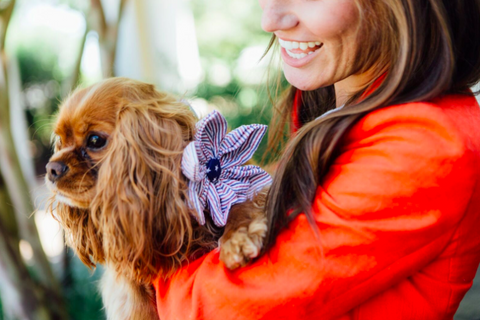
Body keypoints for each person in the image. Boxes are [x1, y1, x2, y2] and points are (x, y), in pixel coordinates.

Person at [153, 0, 480, 319]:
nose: (270, 20)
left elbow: (218, 307)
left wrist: (144, 247)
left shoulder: (423, 142)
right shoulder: (339, 102)